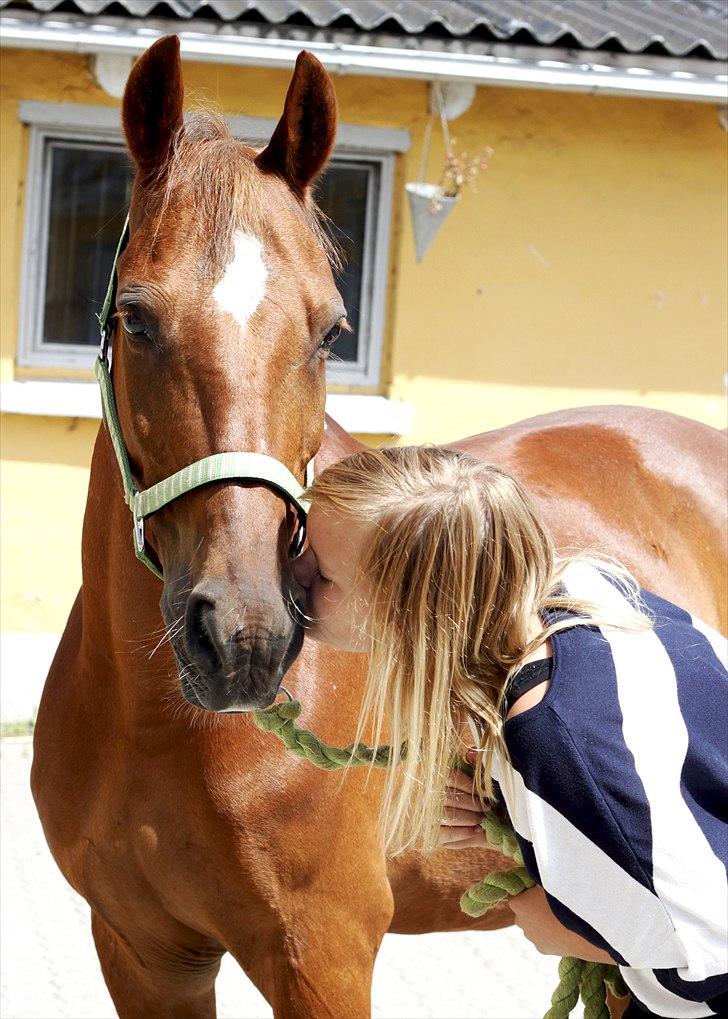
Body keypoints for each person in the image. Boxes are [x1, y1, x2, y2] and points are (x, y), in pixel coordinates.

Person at [290, 445, 728, 1019]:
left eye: (321, 574)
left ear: (411, 612)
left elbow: (715, 953)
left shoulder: (555, 737)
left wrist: (569, 926)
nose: (294, 580)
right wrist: (524, 817)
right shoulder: (590, 589)